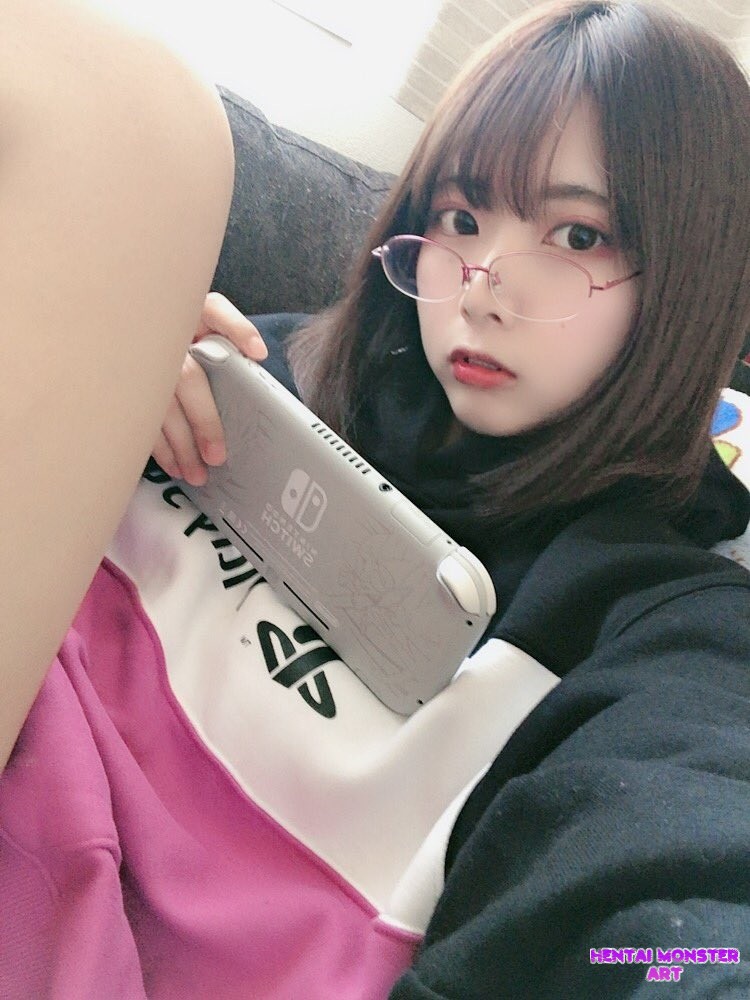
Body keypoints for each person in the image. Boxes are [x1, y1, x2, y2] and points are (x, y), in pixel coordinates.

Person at [2, 0, 749, 997]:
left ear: (693, 278)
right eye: (460, 217)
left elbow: (681, 930)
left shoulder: (665, 631)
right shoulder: (242, 370)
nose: (481, 286)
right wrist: (88, 377)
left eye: (577, 233)